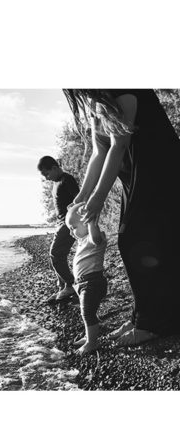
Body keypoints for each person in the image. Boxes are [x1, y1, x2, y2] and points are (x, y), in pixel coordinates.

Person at [63, 89, 180, 345]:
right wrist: (82, 195)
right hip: (132, 177)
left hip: (158, 171)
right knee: (136, 243)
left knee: (135, 243)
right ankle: (142, 317)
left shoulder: (125, 89)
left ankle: (155, 324)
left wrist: (99, 197)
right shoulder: (97, 102)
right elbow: (99, 151)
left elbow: (119, 145)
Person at [65, 203, 107, 354]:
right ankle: (89, 335)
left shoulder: (94, 237)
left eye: (73, 227)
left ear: (86, 222)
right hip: (83, 283)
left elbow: (95, 237)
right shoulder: (82, 241)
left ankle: (91, 342)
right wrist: (75, 207)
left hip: (92, 282)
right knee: (87, 312)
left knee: (87, 312)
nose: (71, 233)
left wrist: (91, 221)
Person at [37, 155, 80, 302]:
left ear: (54, 168)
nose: (47, 178)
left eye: (47, 174)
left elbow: (79, 200)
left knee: (56, 254)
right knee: (55, 257)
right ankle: (62, 288)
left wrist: (74, 221)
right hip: (60, 223)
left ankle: (71, 284)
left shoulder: (67, 179)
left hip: (68, 223)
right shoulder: (56, 183)